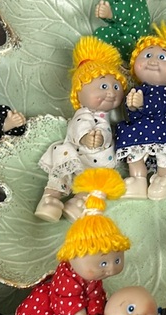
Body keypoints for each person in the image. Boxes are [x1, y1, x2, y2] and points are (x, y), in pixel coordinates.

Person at [12, 168, 131, 315]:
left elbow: (96, 295)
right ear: (76, 255)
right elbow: (66, 301)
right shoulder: (66, 278)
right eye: (103, 263)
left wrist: (95, 313)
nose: (111, 268)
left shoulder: (93, 278)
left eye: (117, 260)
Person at [35, 36, 126, 222]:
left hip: (98, 163)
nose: (111, 92)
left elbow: (109, 132)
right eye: (103, 86)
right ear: (79, 92)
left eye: (116, 86)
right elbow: (79, 127)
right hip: (76, 155)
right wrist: (85, 137)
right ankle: (50, 200)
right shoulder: (83, 113)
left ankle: (77, 203)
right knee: (61, 176)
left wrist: (103, 138)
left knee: (95, 185)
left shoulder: (109, 116)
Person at [115, 13, 166, 200]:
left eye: (162, 57)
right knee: (133, 151)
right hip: (138, 129)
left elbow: (159, 107)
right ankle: (137, 179)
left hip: (161, 130)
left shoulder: (163, 91)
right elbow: (131, 114)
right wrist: (132, 107)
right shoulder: (138, 89)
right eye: (147, 55)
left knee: (164, 153)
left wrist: (142, 103)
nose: (153, 61)